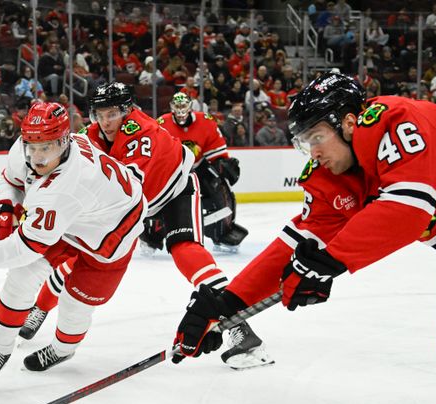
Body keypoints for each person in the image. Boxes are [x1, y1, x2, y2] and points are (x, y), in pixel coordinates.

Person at [173, 71, 436, 361]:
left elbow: (408, 210)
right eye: (305, 142)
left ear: (349, 123)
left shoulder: (393, 119)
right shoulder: (333, 176)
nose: (313, 153)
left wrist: (330, 260)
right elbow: (300, 241)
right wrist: (226, 304)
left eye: (317, 137)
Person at [22, 83, 272, 370]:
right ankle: (40, 309)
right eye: (100, 114)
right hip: (137, 206)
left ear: (128, 111)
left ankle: (239, 327)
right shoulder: (89, 136)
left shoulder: (140, 132)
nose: (105, 122)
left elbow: (126, 186)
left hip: (173, 192)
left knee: (185, 250)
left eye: (113, 113)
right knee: (80, 255)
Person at [0, 102, 146, 387]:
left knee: (75, 303)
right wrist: (4, 207)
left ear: (65, 141)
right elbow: (11, 180)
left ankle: (63, 350)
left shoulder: (68, 186)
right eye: (33, 146)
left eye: (47, 148)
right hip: (72, 219)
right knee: (21, 278)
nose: (37, 157)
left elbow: (26, 247)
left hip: (111, 233)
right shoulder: (29, 143)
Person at [158, 92, 249, 253]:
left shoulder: (205, 121)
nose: (180, 110)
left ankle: (223, 232)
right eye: (177, 106)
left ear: (190, 107)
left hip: (199, 167)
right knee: (154, 193)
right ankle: (152, 236)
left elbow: (217, 152)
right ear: (171, 107)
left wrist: (223, 165)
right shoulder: (161, 124)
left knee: (222, 189)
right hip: (172, 170)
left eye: (183, 106)